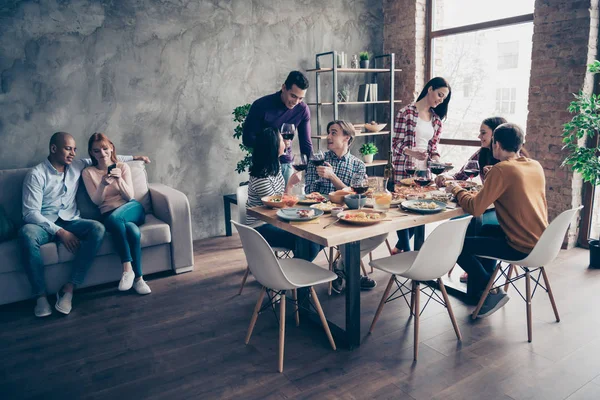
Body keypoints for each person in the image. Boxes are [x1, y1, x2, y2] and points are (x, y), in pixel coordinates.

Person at [19, 132, 149, 317]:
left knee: (98, 228)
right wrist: (60, 232)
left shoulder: (76, 165)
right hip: (43, 223)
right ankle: (40, 297)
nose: (72, 153)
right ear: (53, 149)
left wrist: (136, 157)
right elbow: (30, 213)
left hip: (71, 219)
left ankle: (69, 288)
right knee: (26, 234)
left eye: (74, 149)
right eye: (67, 148)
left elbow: (106, 156)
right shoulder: (36, 174)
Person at [446, 123, 548, 317]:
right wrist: (496, 172)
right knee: (483, 231)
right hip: (542, 241)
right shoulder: (533, 164)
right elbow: (513, 178)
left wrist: (455, 189)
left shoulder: (502, 170)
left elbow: (475, 208)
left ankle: (490, 290)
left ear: (497, 145)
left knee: (457, 247)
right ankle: (481, 292)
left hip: (520, 245)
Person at [305, 120, 386, 293]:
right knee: (344, 237)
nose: (329, 136)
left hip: (349, 217)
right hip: (321, 217)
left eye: (334, 132)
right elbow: (309, 192)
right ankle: (351, 272)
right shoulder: (318, 160)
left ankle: (342, 266)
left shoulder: (358, 164)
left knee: (382, 231)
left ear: (347, 137)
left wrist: (333, 177)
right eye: (329, 132)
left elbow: (358, 197)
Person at [82, 133, 151, 295]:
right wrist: (103, 185)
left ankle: (127, 268)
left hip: (131, 208)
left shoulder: (122, 166)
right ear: (91, 153)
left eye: (105, 149)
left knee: (115, 219)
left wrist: (119, 180)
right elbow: (97, 202)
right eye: (97, 151)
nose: (102, 154)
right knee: (132, 232)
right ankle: (139, 279)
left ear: (111, 148)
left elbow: (130, 197)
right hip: (109, 214)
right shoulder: (88, 172)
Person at [391, 77, 452, 254]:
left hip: (424, 170)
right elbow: (395, 144)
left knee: (420, 209)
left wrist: (437, 159)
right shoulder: (406, 112)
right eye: (439, 95)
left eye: (443, 98)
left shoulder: (436, 120)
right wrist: (412, 153)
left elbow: (433, 147)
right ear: (430, 89)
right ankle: (409, 253)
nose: (440, 100)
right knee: (404, 209)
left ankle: (401, 249)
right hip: (405, 167)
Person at [246, 127, 320, 261]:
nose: (286, 141)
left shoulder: (275, 166)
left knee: (314, 238)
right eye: (281, 139)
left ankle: (295, 271)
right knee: (309, 242)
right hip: (260, 228)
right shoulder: (261, 176)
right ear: (273, 145)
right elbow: (275, 206)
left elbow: (281, 199)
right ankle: (294, 274)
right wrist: (290, 185)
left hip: (276, 222)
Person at [242, 71, 313, 185]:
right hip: (264, 166)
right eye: (293, 96)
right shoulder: (261, 105)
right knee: (267, 202)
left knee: (287, 201)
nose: (296, 102)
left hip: (286, 165)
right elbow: (247, 139)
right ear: (284, 88)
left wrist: (313, 173)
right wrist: (276, 143)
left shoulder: (302, 110)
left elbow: (306, 144)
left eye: (300, 98)